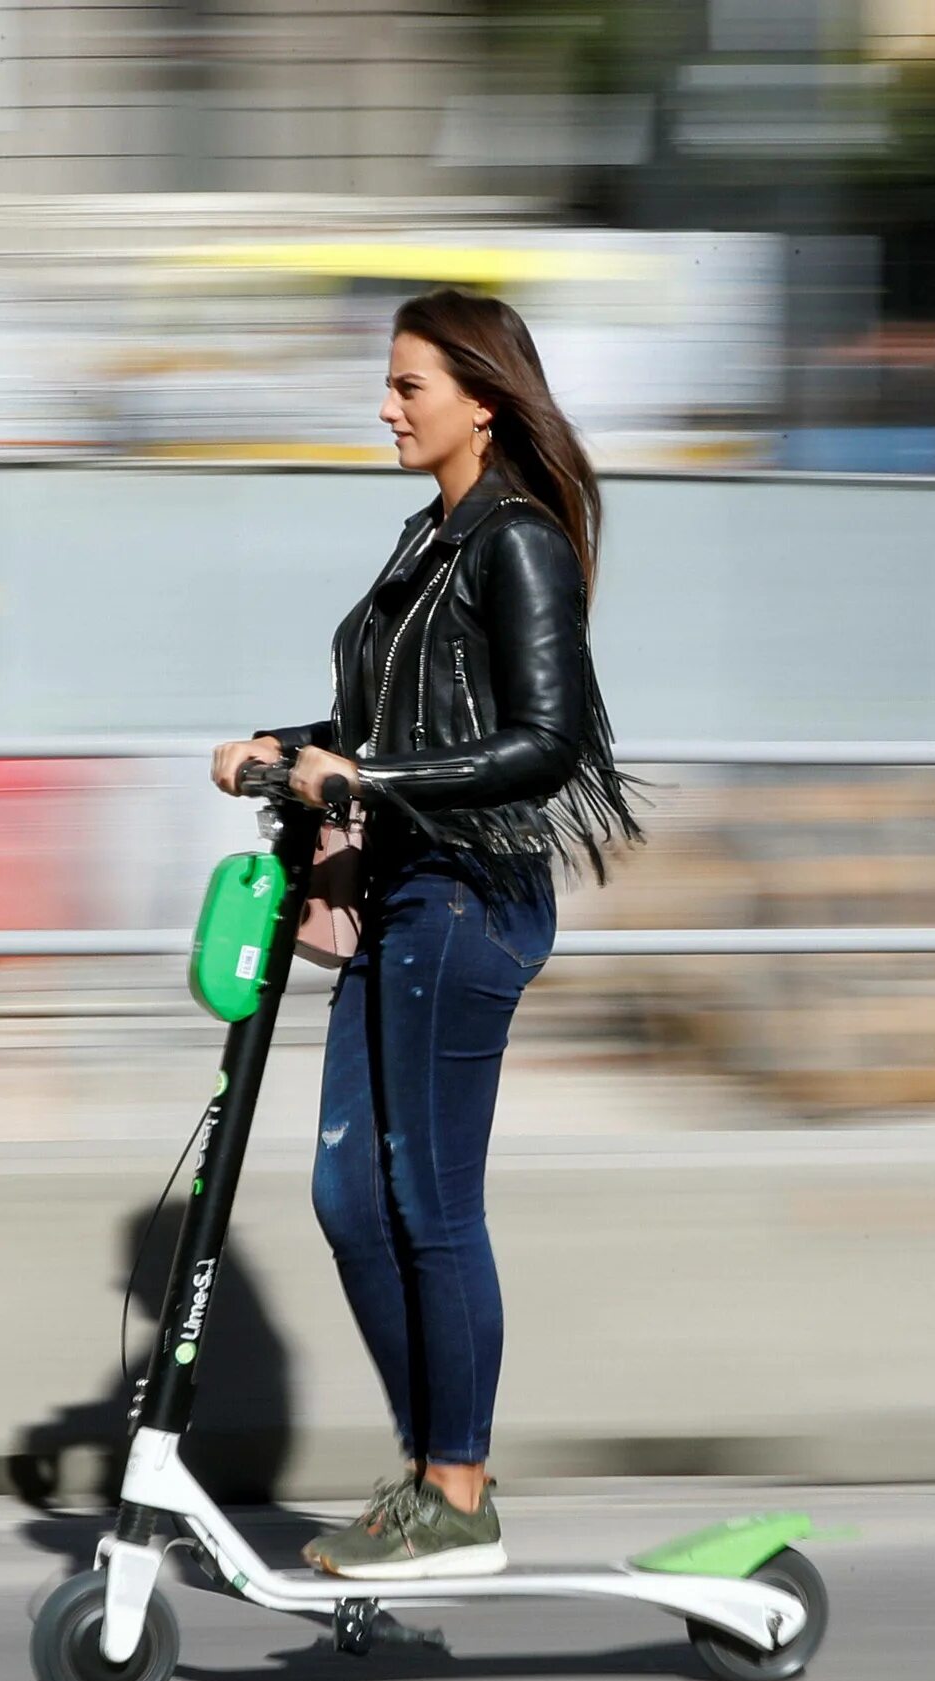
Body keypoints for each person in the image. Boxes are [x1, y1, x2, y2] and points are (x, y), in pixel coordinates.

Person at [207, 289, 639, 1581]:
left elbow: (544, 744)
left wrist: (366, 790)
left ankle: (455, 1488)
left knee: (429, 1205)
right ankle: (431, 1473)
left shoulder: (517, 543)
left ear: (482, 399)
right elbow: (381, 728)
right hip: (403, 894)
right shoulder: (426, 540)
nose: (385, 407)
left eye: (409, 386)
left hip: (470, 899)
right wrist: (286, 751)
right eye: (389, 386)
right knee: (351, 1198)